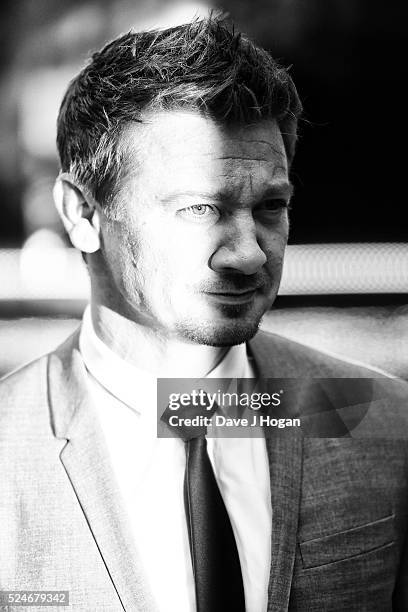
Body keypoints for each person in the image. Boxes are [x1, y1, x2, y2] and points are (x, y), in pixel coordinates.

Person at [0, 16, 407, 612]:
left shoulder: (384, 425)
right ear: (82, 213)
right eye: (199, 208)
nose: (248, 252)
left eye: (272, 206)